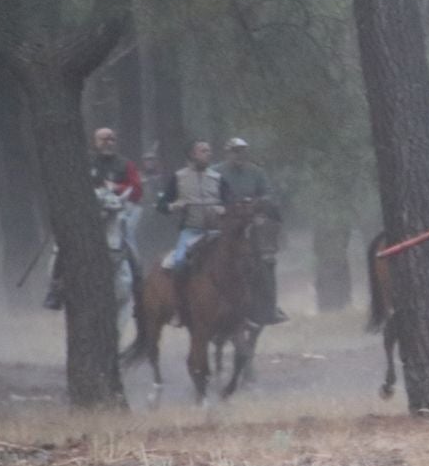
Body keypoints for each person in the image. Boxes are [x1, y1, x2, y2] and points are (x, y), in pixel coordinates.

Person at [45, 127, 145, 310]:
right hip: (86, 216)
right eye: (103, 139)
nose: (108, 142)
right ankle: (55, 288)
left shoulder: (126, 164)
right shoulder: (84, 162)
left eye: (111, 139)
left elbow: (137, 191)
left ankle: (140, 289)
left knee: (131, 247)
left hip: (116, 215)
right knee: (61, 247)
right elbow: (70, 186)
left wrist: (116, 187)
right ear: (94, 141)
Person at [217, 137, 288, 326]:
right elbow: (210, 195)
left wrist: (259, 204)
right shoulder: (216, 172)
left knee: (266, 260)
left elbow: (269, 193)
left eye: (242, 151)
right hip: (223, 223)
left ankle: (269, 308)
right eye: (235, 151)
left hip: (251, 222)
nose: (239, 155)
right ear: (227, 153)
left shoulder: (256, 172)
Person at [158, 139, 224, 275]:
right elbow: (161, 205)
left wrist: (224, 208)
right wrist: (173, 206)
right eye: (204, 151)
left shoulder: (218, 178)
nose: (209, 154)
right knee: (179, 263)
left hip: (217, 232)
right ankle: (181, 295)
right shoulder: (179, 177)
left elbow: (231, 201)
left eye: (209, 151)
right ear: (193, 154)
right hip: (191, 232)